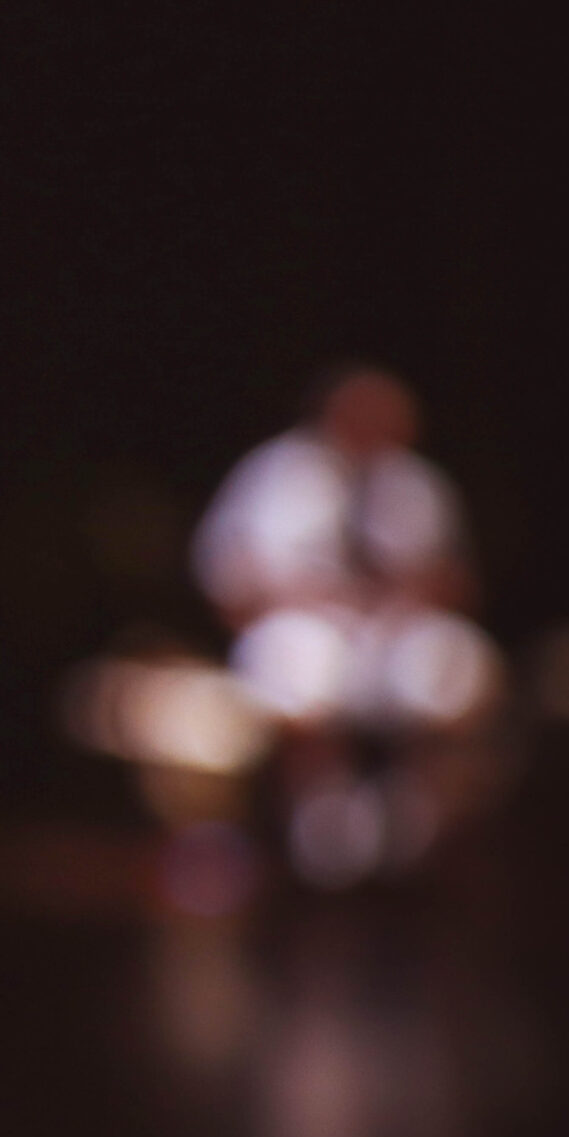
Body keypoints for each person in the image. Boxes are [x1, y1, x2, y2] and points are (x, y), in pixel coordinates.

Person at [192, 365, 502, 884]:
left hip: (394, 633)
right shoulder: (274, 474)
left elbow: (461, 582)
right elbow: (225, 582)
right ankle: (323, 833)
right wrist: (304, 596)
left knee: (456, 672)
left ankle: (413, 833)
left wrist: (405, 592)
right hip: (302, 626)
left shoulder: (416, 484)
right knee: (303, 671)